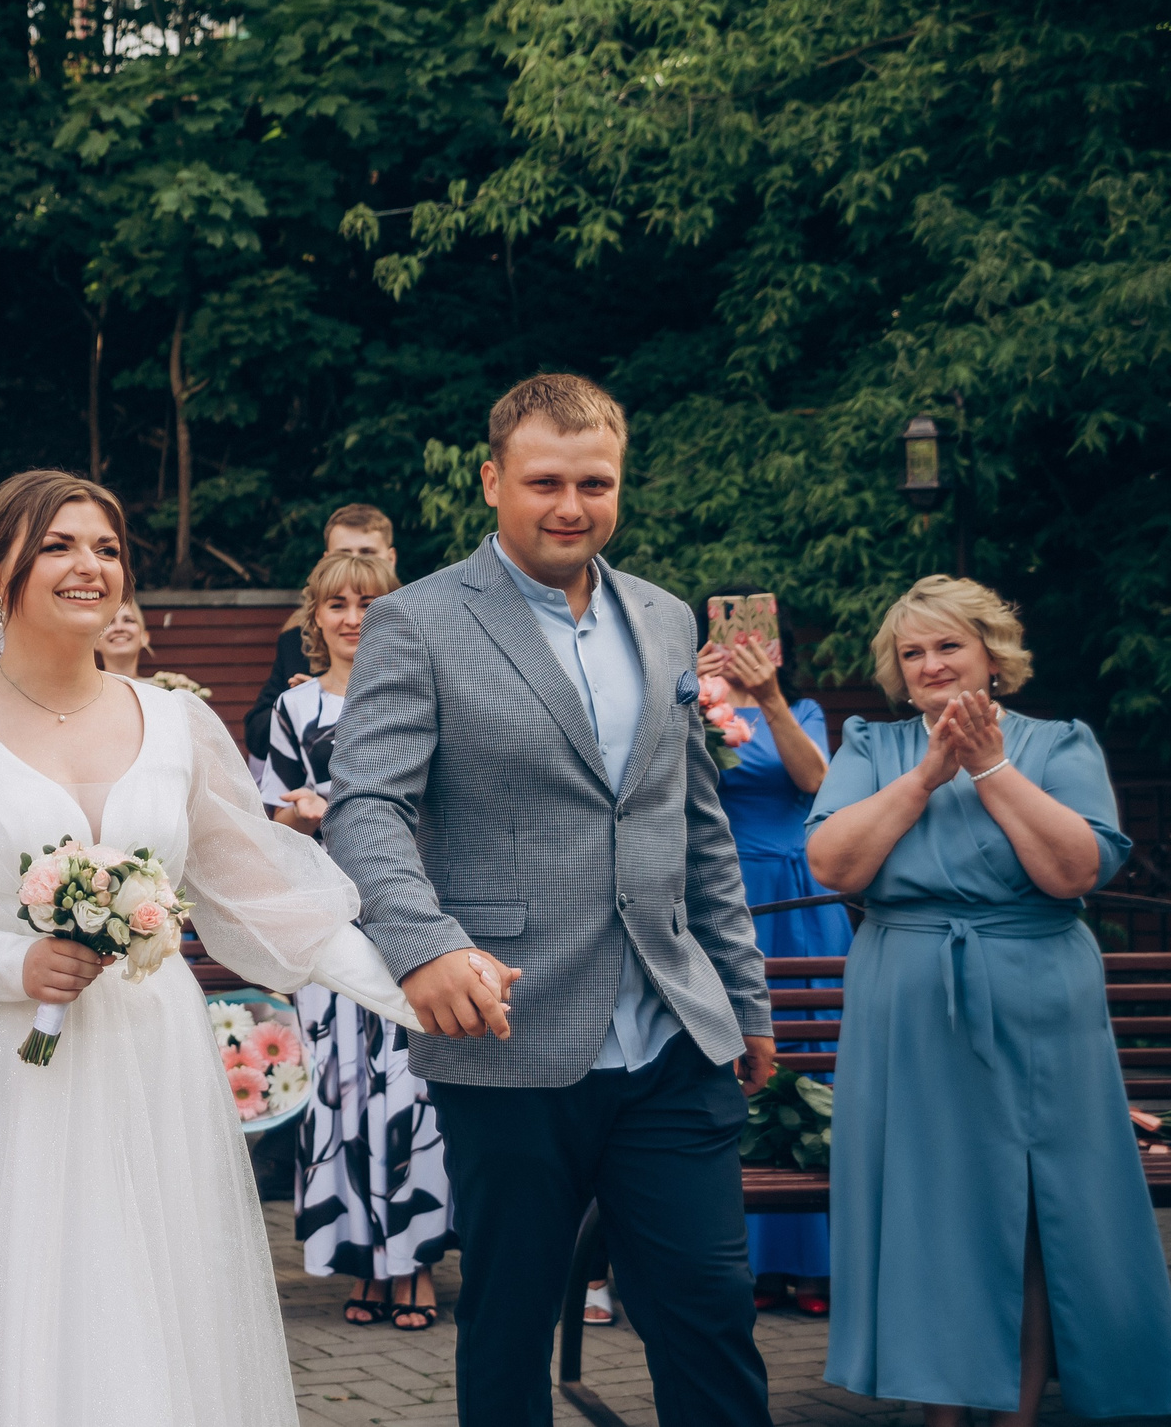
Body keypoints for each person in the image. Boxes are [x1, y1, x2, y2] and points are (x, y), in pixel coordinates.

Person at [0, 470, 421, 1427]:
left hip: (146, 1065)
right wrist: (8, 966)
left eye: (106, 547)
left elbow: (274, 903)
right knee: (2, 1311)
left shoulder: (177, 722)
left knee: (145, 1304)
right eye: (59, 545)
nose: (91, 565)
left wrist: (416, 992)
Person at [327, 374, 777, 1427]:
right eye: (543, 481)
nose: (569, 503)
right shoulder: (416, 620)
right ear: (492, 480)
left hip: (671, 1037)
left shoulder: (667, 619)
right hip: (506, 1026)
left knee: (709, 1311)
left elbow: (695, 829)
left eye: (594, 481)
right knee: (512, 1320)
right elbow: (366, 810)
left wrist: (743, 1001)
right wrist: (423, 944)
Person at [807, 576, 1171, 1425]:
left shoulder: (1059, 742)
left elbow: (1074, 872)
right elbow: (835, 865)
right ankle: (941, 1414)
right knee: (934, 1210)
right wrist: (929, 774)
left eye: (949, 646)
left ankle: (1016, 1415)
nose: (930, 664)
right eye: (913, 651)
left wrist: (989, 766)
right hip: (907, 994)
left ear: (991, 655)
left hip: (1037, 995)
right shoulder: (870, 744)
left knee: (1035, 1210)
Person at [257, 550, 450, 1332]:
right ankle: (363, 1262)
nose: (352, 617)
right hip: (327, 921)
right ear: (316, 617)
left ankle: (418, 1264)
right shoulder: (293, 712)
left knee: (410, 1090)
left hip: (404, 909)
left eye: (368, 602)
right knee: (340, 1093)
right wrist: (297, 817)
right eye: (337, 603)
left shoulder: (420, 697)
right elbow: (266, 829)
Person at [694, 584, 843, 1317]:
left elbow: (819, 782)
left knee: (813, 1056)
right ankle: (745, 1258)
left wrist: (770, 697)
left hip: (800, 891)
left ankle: (816, 1260)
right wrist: (687, 692)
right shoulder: (693, 704)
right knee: (738, 1064)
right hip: (726, 893)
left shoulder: (804, 710)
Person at [244, 504, 398, 774]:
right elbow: (257, 732)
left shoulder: (423, 632)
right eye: (343, 555)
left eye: (367, 554)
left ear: (390, 558)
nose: (355, 562)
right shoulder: (297, 641)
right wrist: (304, 705)